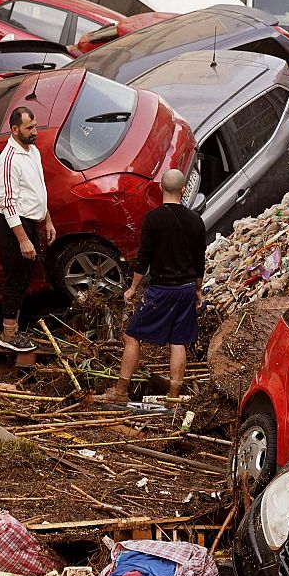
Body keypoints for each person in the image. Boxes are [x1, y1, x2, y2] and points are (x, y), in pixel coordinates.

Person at [99, 169, 206, 406]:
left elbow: (143, 258)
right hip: (186, 288)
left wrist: (132, 288)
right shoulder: (195, 221)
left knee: (131, 335)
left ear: (160, 189)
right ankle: (173, 397)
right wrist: (197, 289)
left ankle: (121, 390)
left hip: (162, 290)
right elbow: (200, 261)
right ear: (183, 189)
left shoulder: (153, 219)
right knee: (178, 342)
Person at [0, 106, 56, 347]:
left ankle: (13, 330)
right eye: (30, 128)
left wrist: (46, 218)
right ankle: (8, 336)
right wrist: (22, 239)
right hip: (12, 227)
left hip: (30, 222)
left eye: (35, 126)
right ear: (15, 129)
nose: (34, 131)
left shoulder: (33, 151)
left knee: (25, 278)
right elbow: (8, 202)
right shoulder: (8, 161)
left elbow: (38, 188)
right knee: (16, 279)